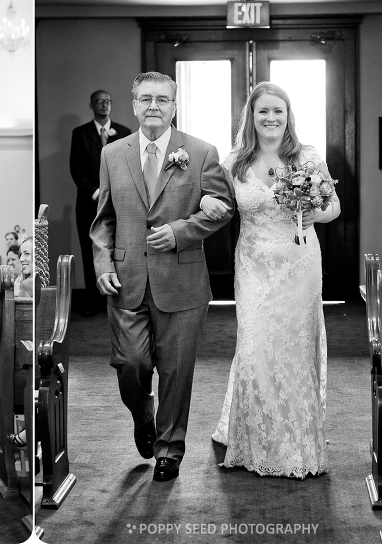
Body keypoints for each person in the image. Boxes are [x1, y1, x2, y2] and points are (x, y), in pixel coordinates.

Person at [90, 72, 234, 483]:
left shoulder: (201, 152)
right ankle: (142, 411)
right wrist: (102, 266)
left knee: (176, 369)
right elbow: (103, 221)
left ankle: (170, 450)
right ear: (133, 104)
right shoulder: (113, 154)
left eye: (162, 100)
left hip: (183, 280)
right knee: (131, 364)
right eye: (145, 99)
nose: (154, 106)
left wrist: (181, 231)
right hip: (126, 278)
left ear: (174, 106)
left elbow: (221, 207)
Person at [203, 83, 340, 477]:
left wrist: (316, 213)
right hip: (254, 267)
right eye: (263, 111)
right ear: (251, 116)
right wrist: (203, 201)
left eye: (278, 111)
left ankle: (296, 441)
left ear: (288, 114)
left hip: (299, 264)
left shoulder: (307, 156)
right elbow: (213, 198)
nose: (271, 118)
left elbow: (333, 205)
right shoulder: (234, 162)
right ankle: (257, 439)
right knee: (254, 345)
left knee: (294, 350)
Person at [70, 90, 131, 316]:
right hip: (88, 203)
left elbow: (130, 167)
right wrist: (96, 192)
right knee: (90, 250)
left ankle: (119, 297)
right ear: (91, 105)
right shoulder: (80, 134)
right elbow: (76, 168)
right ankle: (94, 301)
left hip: (119, 203)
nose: (104, 105)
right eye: (99, 101)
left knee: (120, 248)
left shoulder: (124, 133)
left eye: (107, 101)